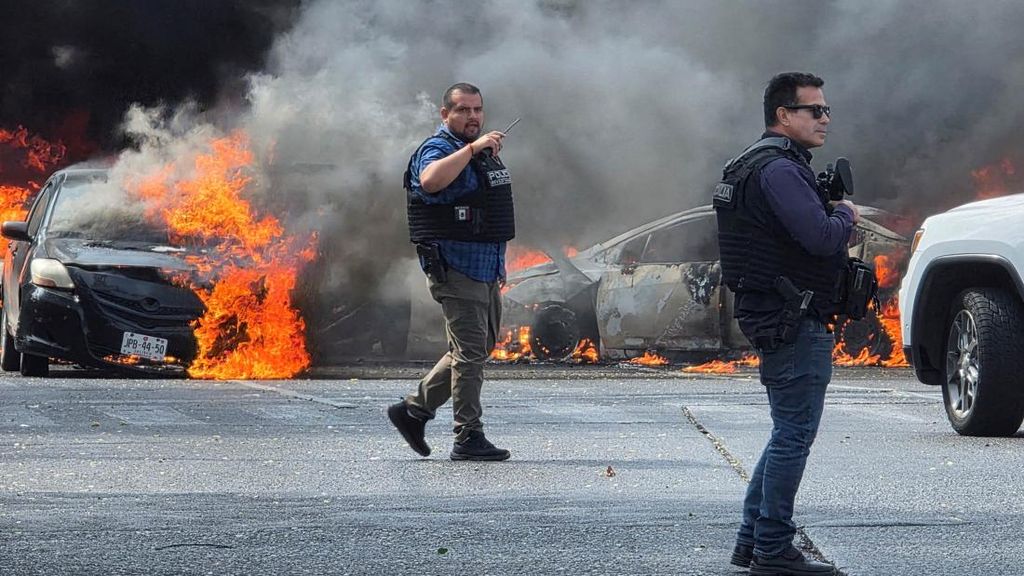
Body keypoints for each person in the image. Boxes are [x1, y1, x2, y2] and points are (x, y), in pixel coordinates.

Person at [713, 72, 858, 575]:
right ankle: (773, 549)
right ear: (783, 115)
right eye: (814, 110)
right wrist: (845, 215)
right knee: (794, 434)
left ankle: (751, 543)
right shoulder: (778, 170)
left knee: (784, 433)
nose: (825, 118)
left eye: (826, 109)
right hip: (792, 319)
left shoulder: (751, 164)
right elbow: (820, 237)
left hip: (777, 314)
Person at [388, 82, 513, 462]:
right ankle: (467, 435)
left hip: (483, 267)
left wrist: (499, 265)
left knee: (474, 348)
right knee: (470, 352)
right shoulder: (438, 148)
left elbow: (488, 211)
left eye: (477, 110)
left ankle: (414, 410)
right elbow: (430, 181)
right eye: (463, 110)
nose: (472, 117)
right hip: (455, 266)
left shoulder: (480, 154)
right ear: (445, 114)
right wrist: (473, 148)